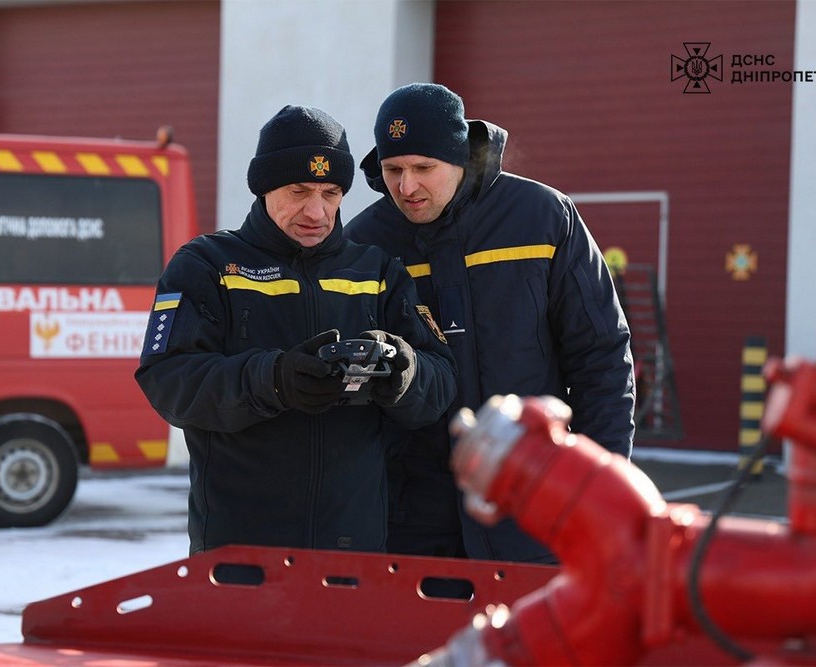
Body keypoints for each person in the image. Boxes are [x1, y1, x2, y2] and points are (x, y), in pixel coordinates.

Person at [135, 105, 456, 556]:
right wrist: (275, 380)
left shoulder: (378, 271)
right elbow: (167, 380)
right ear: (265, 188)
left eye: (330, 193)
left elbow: (441, 383)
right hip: (239, 548)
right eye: (298, 190)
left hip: (354, 546)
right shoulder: (207, 265)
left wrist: (402, 370)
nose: (316, 211)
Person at [345, 83, 635, 564]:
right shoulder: (365, 245)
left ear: (460, 157)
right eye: (392, 170)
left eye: (423, 168)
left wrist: (597, 485)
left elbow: (601, 358)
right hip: (412, 517)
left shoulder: (543, 218)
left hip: (533, 499)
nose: (406, 186)